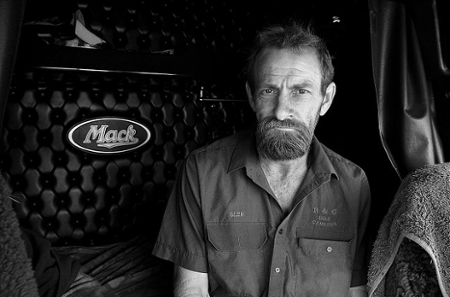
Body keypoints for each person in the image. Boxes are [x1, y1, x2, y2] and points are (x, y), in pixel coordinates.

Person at [152, 22, 371, 297]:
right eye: (269, 91)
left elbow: (356, 290)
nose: (281, 111)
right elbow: (191, 290)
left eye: (300, 91)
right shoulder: (202, 172)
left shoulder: (353, 185)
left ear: (325, 99)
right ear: (252, 97)